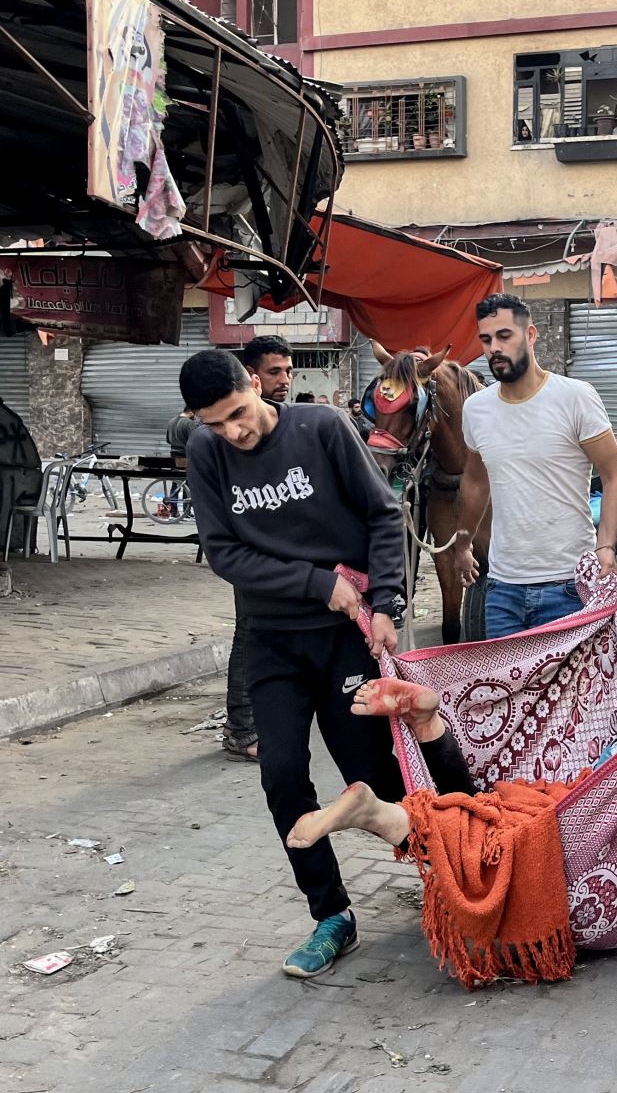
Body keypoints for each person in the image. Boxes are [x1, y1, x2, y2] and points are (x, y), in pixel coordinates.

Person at [178, 348, 406, 979]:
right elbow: (223, 553)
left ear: (258, 386)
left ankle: (444, 867)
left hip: (344, 639)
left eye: (238, 415)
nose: (233, 433)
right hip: (271, 638)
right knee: (281, 776)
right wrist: (313, 582)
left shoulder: (323, 428)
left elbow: (383, 514)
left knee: (374, 774)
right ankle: (331, 915)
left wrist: (385, 601)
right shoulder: (207, 451)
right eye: (215, 423)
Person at [455, 293, 617, 638]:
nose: (494, 348)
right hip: (502, 588)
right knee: (507, 691)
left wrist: (606, 546)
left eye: (504, 336)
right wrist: (463, 542)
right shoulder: (476, 409)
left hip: (568, 586)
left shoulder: (574, 397)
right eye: (486, 339)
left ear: (530, 335)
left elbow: (615, 478)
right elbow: (476, 482)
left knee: (569, 693)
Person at [219, 337, 298, 762]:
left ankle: (256, 722)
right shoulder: (231, 431)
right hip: (250, 553)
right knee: (250, 633)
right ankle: (242, 728)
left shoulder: (285, 424)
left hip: (282, 552)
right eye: (274, 372)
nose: (284, 380)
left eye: (288, 370)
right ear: (251, 377)